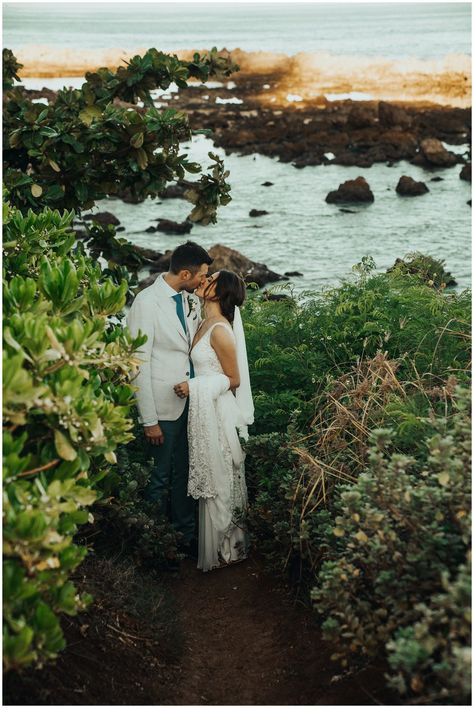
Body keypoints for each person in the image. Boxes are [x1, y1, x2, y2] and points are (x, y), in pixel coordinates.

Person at [126, 241, 213, 558]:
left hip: (192, 402)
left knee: (186, 474)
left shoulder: (190, 300)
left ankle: (184, 538)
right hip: (161, 408)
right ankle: (153, 546)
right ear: (186, 272)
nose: (204, 280)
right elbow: (138, 364)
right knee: (158, 479)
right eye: (202, 275)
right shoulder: (147, 303)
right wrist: (148, 420)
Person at [173, 270, 254, 572]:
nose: (204, 281)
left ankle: (229, 545)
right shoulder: (203, 322)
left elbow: (233, 380)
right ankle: (219, 544)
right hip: (205, 411)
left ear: (220, 292)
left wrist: (193, 387)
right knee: (212, 472)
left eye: (211, 280)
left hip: (219, 411)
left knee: (221, 475)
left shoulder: (221, 329)